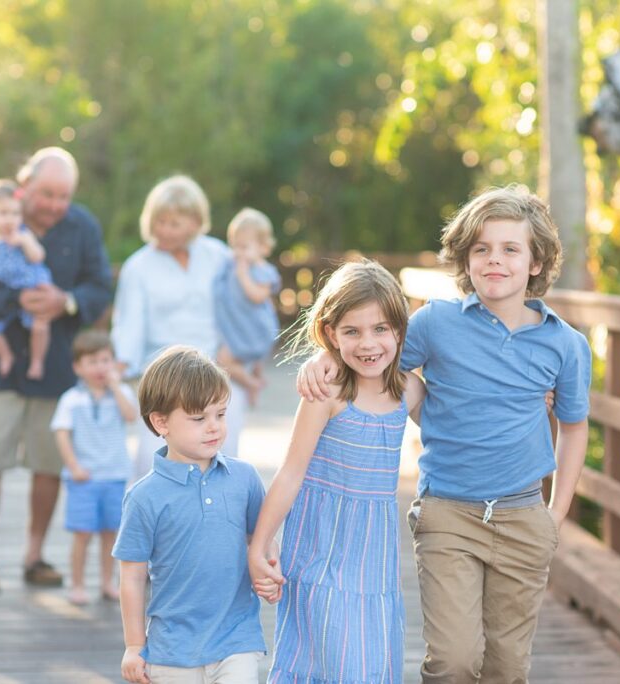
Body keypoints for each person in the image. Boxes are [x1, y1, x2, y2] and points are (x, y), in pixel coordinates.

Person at [298, 186, 591, 682]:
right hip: (448, 512)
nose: (494, 260)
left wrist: (555, 513)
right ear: (465, 258)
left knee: (507, 665)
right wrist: (329, 353)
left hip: (523, 516)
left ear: (536, 262)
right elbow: (378, 356)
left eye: (510, 249)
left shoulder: (565, 344)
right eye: (481, 249)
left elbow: (575, 426)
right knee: (453, 660)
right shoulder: (436, 322)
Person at [248, 260, 425, 683]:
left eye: (381, 329)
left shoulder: (408, 391)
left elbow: (459, 423)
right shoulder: (325, 392)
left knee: (368, 661)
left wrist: (530, 397)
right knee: (323, 660)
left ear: (400, 331)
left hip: (373, 559)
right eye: (352, 332)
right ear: (330, 333)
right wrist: (260, 544)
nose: (369, 343)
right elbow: (291, 472)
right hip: (319, 550)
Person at [0, 147, 113, 595]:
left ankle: (34, 554)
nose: (56, 205)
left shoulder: (83, 226)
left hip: (55, 365)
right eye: (47, 194)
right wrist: (14, 300)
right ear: (24, 187)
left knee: (47, 465)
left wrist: (66, 301)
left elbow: (100, 285)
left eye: (64, 196)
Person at [113, 346, 279, 684]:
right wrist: (134, 645)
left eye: (220, 414)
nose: (214, 427)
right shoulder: (144, 497)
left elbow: (260, 540)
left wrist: (268, 568)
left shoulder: (244, 479)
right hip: (171, 649)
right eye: (198, 418)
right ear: (161, 422)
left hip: (236, 638)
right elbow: (131, 577)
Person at [111, 175, 250, 481]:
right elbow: (128, 323)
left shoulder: (219, 256)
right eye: (159, 220)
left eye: (174, 221)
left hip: (217, 369)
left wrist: (240, 352)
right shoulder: (139, 266)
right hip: (164, 373)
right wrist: (118, 369)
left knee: (223, 460)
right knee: (155, 466)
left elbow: (239, 309)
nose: (164, 228)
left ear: (195, 221)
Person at [50, 330, 137, 606]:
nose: (100, 367)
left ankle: (107, 582)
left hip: (114, 476)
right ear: (78, 367)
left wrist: (114, 386)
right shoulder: (71, 399)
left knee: (112, 532)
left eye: (105, 360)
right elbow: (61, 433)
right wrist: (73, 466)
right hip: (84, 478)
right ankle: (76, 583)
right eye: (93, 362)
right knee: (82, 533)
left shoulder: (121, 392)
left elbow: (131, 415)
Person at [0, 178, 53, 380]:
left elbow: (39, 256)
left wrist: (24, 243)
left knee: (41, 324)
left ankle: (37, 361)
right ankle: (5, 355)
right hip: (2, 292)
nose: (10, 219)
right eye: (3, 213)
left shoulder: (23, 234)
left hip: (29, 284)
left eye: (15, 213)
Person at [214, 207, 282, 408]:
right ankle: (252, 384)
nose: (238, 252)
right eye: (234, 246)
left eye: (244, 247)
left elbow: (257, 296)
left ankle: (253, 383)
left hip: (255, 329)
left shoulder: (263, 271)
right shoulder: (231, 265)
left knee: (223, 360)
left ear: (263, 248)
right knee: (240, 361)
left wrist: (243, 275)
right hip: (239, 325)